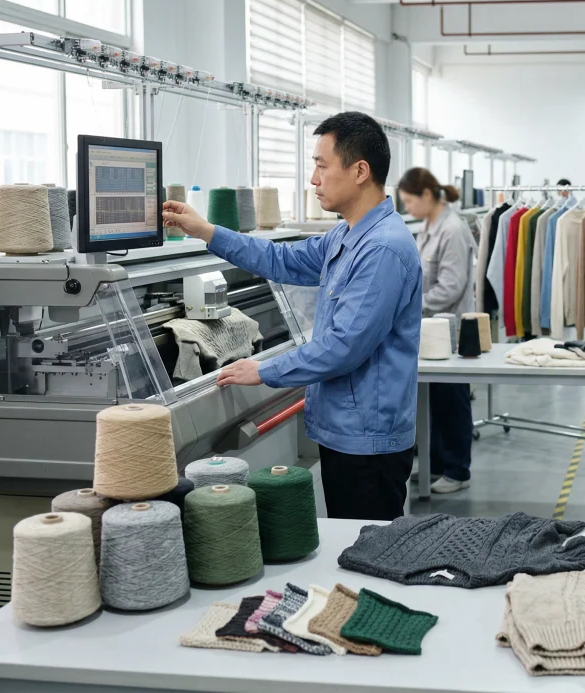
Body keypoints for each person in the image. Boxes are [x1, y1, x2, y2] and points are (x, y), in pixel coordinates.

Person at [162, 112, 422, 522]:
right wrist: (208, 231)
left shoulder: (382, 249)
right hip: (346, 430)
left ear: (359, 171)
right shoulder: (347, 234)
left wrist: (264, 370)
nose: (314, 179)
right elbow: (281, 259)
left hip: (367, 441)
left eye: (321, 166)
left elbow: (343, 347)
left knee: (366, 551)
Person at [398, 167, 477, 494]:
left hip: (449, 330)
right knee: (432, 399)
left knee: (451, 400)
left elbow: (450, 287)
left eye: (409, 202)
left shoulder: (452, 230)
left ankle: (458, 471)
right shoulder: (429, 226)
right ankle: (436, 464)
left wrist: (406, 306)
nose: (407, 209)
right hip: (430, 329)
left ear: (427, 195)